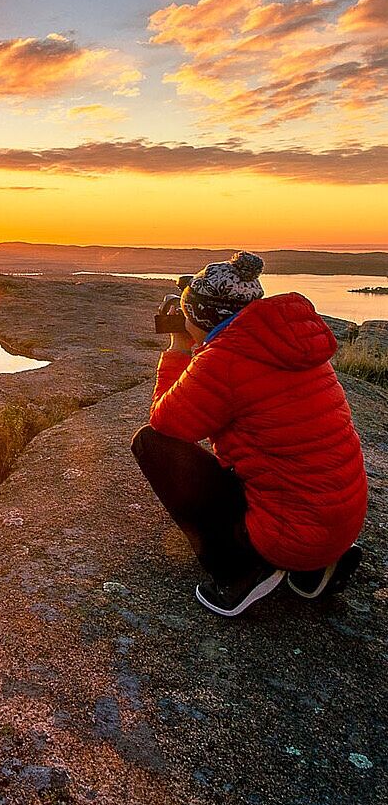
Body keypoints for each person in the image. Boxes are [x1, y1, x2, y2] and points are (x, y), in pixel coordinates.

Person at [131, 251, 367, 617]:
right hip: (339, 524)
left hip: (288, 535)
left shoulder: (225, 359)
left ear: (200, 316)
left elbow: (167, 425)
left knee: (150, 444)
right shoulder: (287, 343)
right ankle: (317, 567)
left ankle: (241, 568)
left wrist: (179, 350)